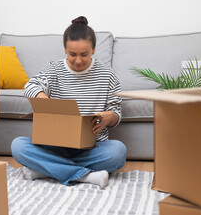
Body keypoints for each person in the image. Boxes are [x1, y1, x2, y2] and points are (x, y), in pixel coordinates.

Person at [11, 16, 126, 189]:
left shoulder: (107, 74)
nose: (78, 60)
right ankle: (86, 176)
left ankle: (46, 170)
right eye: (72, 54)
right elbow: (31, 85)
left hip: (92, 148)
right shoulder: (54, 69)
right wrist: (48, 105)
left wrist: (110, 117)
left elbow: (116, 111)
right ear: (65, 49)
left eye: (84, 54)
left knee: (118, 152)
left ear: (94, 49)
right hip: (55, 146)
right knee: (18, 146)